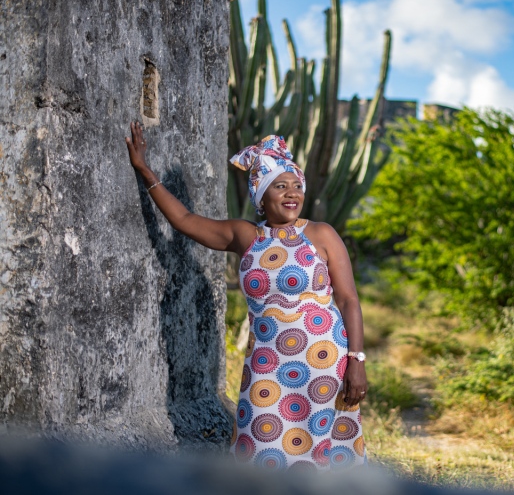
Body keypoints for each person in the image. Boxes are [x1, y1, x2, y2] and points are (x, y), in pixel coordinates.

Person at [125, 122, 369, 470]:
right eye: (280, 185)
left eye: (297, 185)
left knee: (318, 455)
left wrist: (356, 362)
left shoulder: (321, 234)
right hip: (267, 366)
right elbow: (183, 220)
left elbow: (348, 301)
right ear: (261, 194)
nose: (292, 193)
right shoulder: (246, 236)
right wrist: (144, 170)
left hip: (324, 363)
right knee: (260, 446)